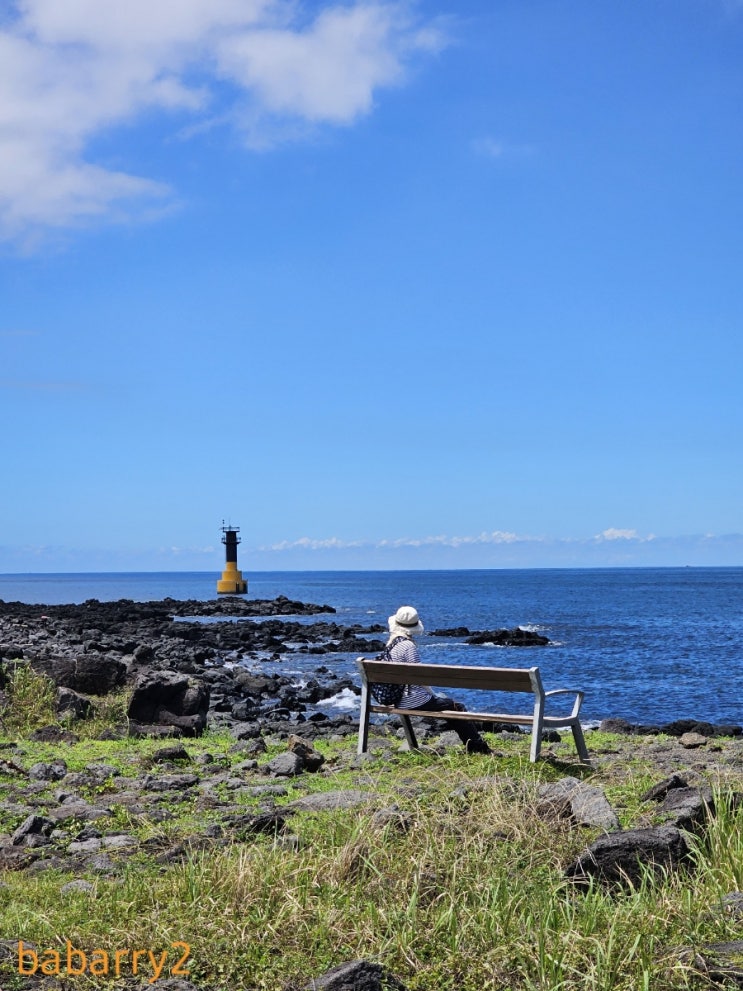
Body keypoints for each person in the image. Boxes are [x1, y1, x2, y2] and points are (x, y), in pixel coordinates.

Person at [383, 605, 492, 755]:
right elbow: (419, 676)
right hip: (414, 701)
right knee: (457, 707)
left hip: (399, 700)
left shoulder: (391, 645)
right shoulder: (408, 646)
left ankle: (475, 746)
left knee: (450, 705)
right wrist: (432, 695)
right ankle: (478, 748)